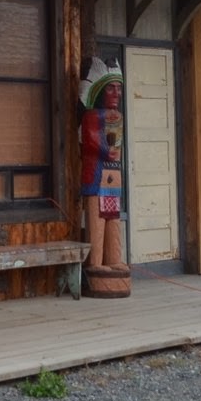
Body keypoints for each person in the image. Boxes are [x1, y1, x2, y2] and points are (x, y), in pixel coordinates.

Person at [80, 57, 127, 283]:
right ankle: (96, 262)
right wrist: (103, 150)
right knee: (97, 219)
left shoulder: (117, 116)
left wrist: (111, 152)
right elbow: (88, 140)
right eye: (111, 88)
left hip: (113, 177)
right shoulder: (91, 115)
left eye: (119, 88)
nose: (116, 94)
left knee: (113, 217)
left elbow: (116, 145)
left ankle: (114, 257)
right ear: (99, 91)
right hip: (97, 175)